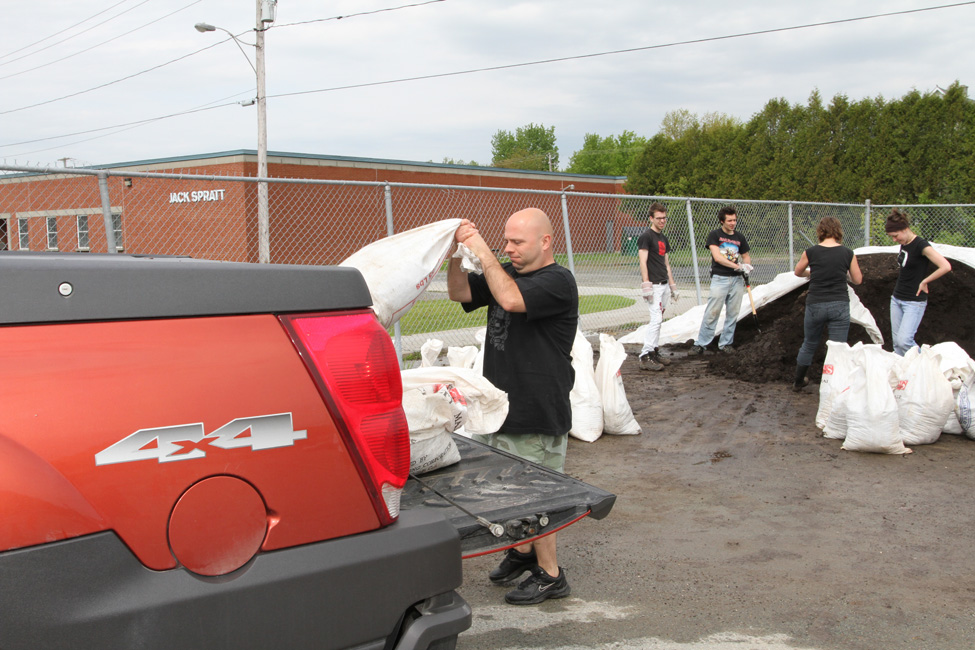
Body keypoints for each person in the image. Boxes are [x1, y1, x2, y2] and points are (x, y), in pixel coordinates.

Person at [447, 207, 578, 606]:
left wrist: (483, 250)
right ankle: (522, 554)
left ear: (545, 241)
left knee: (538, 496)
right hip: (501, 406)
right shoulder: (507, 271)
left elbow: (508, 296)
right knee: (507, 490)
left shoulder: (557, 281)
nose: (509, 249)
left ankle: (552, 575)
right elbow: (460, 292)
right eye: (506, 241)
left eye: (517, 242)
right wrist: (455, 253)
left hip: (536, 408)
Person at [792, 217, 863, 391]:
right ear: (838, 232)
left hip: (816, 303)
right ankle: (834, 385)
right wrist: (843, 274)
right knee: (838, 347)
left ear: (820, 232)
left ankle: (798, 382)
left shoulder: (811, 252)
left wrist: (811, 273)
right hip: (839, 304)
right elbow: (858, 280)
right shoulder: (848, 253)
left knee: (809, 343)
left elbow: (797, 272)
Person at [885, 209, 952, 356]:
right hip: (897, 299)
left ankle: (928, 368)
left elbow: (946, 266)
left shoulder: (921, 245)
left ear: (905, 229)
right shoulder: (905, 243)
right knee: (897, 345)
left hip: (914, 302)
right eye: (892, 237)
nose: (894, 240)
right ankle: (905, 377)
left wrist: (925, 281)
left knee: (905, 341)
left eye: (895, 236)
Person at [688, 206, 752, 354]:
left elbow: (745, 255)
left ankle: (726, 344)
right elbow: (717, 257)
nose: (732, 223)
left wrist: (746, 265)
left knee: (733, 313)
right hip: (720, 278)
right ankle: (701, 344)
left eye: (734, 220)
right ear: (722, 221)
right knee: (712, 312)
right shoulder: (715, 235)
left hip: (737, 281)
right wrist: (737, 266)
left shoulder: (739, 237)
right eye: (729, 220)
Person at [637, 203, 678, 371]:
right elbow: (643, 261)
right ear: (651, 218)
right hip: (653, 285)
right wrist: (646, 284)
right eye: (659, 218)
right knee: (656, 320)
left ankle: (654, 350)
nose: (662, 221)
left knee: (659, 320)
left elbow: (666, 263)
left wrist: (673, 285)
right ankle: (645, 355)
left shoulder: (663, 238)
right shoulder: (646, 237)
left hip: (664, 284)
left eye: (664, 218)